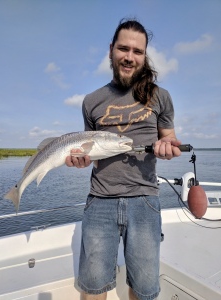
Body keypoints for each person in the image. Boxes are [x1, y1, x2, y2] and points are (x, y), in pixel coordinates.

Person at [66, 18, 181, 300]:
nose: (130, 57)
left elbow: (171, 141)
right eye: (123, 49)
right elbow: (91, 154)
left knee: (143, 291)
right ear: (111, 50)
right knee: (92, 289)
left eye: (137, 51)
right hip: (99, 202)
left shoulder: (160, 97)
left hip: (144, 201)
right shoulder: (91, 101)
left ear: (144, 56)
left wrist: (168, 147)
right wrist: (80, 160)